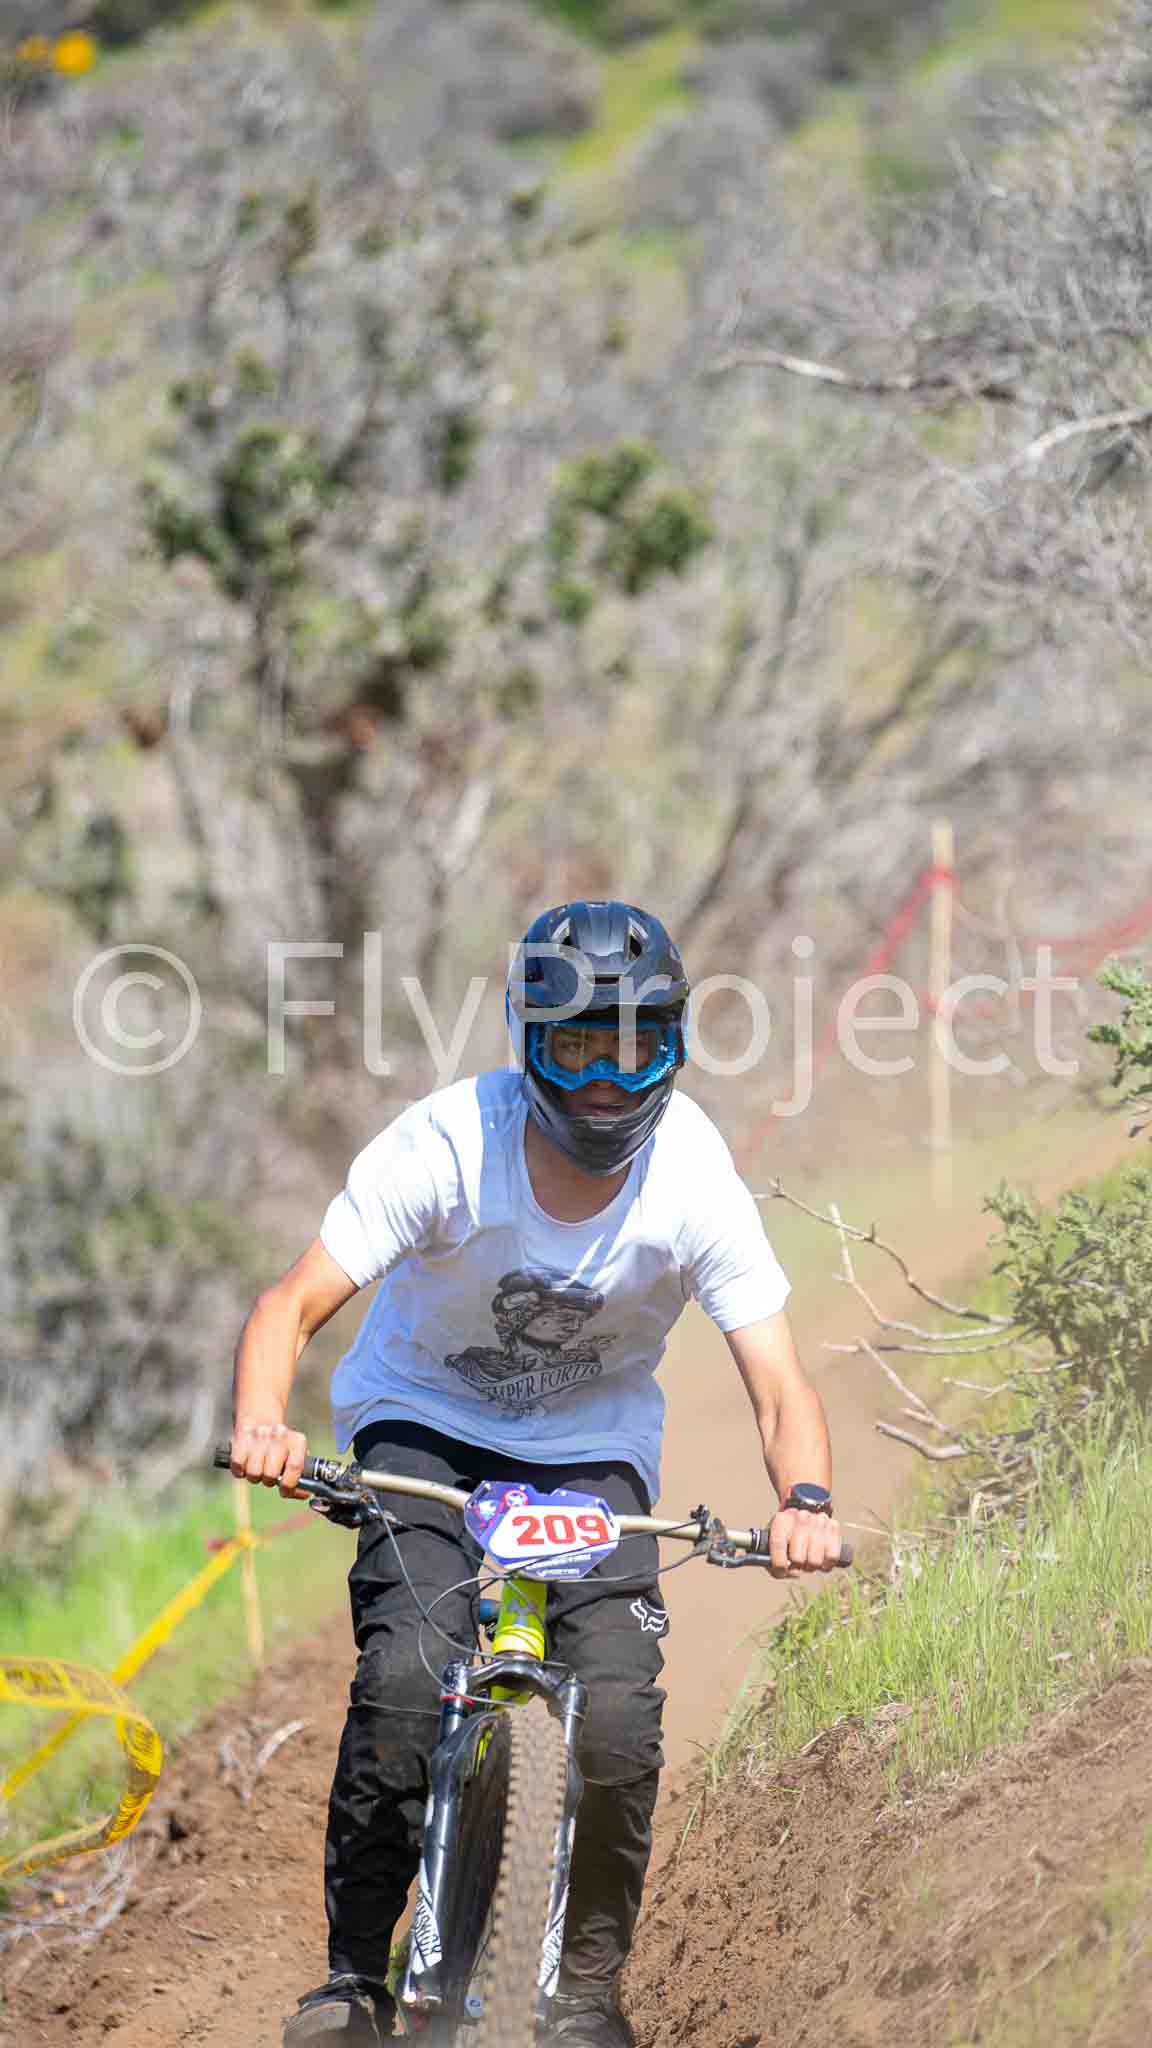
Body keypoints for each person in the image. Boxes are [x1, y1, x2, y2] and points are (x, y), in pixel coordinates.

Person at [229, 900, 844, 2048]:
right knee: (408, 1680)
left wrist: (804, 1501)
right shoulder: (449, 1143)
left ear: (676, 1043)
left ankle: (584, 1993)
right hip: (426, 1428)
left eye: (635, 1045)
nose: (607, 1080)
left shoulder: (694, 1175)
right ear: (527, 1042)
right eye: (575, 1047)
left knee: (614, 1715)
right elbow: (291, 1303)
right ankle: (354, 1975)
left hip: (591, 1456)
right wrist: (264, 1419)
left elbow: (778, 1381)